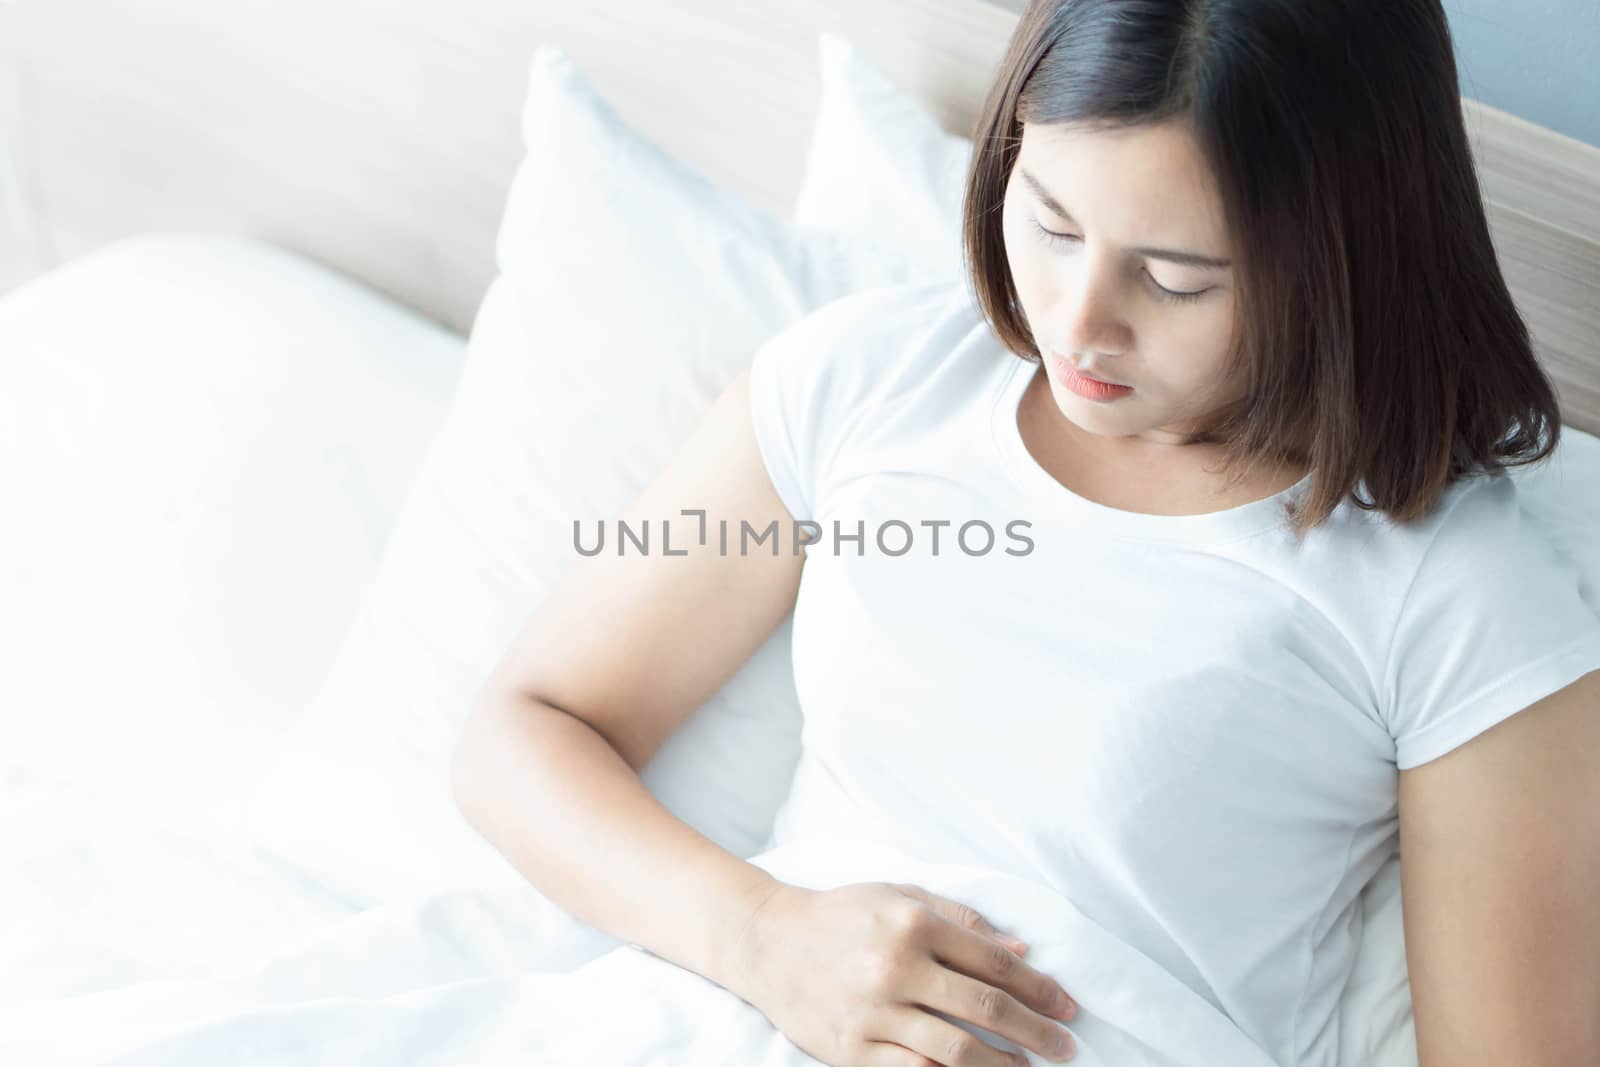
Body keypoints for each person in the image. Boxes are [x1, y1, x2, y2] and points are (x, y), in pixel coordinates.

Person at [451, 1, 1600, 1065]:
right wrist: (759, 933)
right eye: (1049, 222)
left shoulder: (1457, 593)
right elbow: (522, 730)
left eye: (1174, 278)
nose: (1078, 320)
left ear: (1343, 264)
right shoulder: (865, 380)